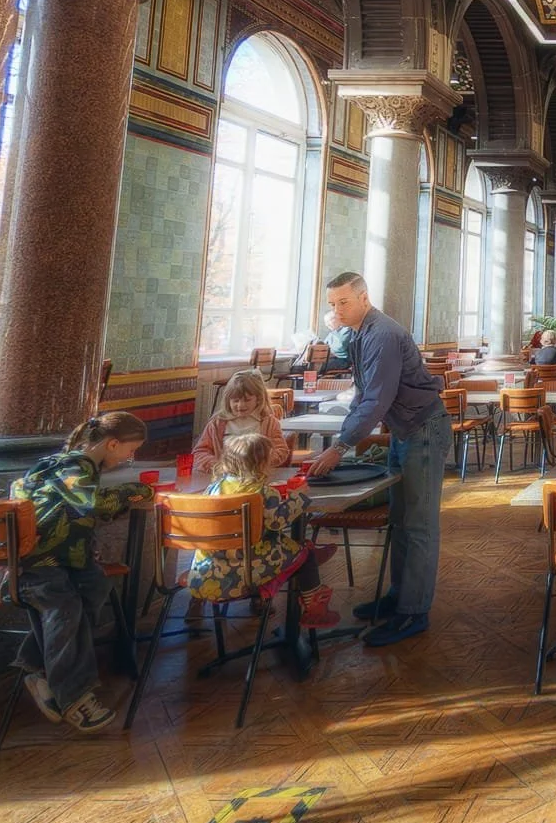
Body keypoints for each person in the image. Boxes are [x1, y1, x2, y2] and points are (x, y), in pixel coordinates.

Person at [319, 271, 450, 648]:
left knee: (420, 524)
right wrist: (343, 438)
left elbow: (376, 399)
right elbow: (362, 391)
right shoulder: (360, 332)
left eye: (344, 302)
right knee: (400, 518)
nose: (337, 310)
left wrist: (339, 446)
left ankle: (414, 611)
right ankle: (399, 596)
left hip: (423, 428)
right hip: (403, 429)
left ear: (364, 298)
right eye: (332, 304)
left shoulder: (383, 334)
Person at [10, 412, 153, 732]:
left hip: (66, 559)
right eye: (131, 450)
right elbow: (93, 503)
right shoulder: (73, 466)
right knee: (66, 610)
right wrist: (138, 490)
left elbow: (71, 514)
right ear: (112, 444)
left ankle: (39, 669)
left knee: (96, 585)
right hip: (38, 563)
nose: (130, 457)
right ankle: (75, 697)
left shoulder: (71, 464)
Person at [189, 432, 338, 629]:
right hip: (247, 571)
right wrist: (298, 497)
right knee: (304, 555)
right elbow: (277, 522)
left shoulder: (213, 489)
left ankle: (304, 561)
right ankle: (313, 607)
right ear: (262, 463)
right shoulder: (263, 492)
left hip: (208, 571)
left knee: (297, 552)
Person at [192, 369, 287, 475]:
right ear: (228, 400)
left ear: (258, 399)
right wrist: (219, 465)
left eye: (247, 400)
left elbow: (281, 450)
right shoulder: (217, 424)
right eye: (235, 401)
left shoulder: (269, 422)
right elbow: (199, 452)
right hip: (224, 477)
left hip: (258, 476)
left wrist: (260, 461)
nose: (241, 405)